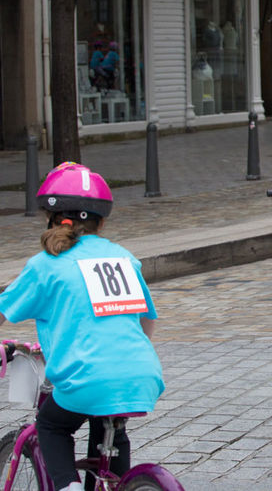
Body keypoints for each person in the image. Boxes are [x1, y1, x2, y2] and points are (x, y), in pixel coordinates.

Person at [0, 162, 164, 491]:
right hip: (140, 376)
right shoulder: (123, 257)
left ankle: (68, 486)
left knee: (51, 426)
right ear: (102, 219)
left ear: (52, 217)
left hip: (84, 378)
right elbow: (147, 321)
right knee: (111, 430)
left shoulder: (46, 263)